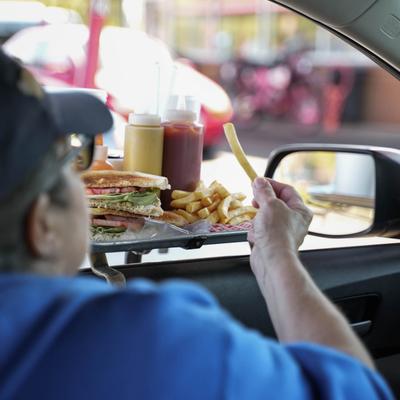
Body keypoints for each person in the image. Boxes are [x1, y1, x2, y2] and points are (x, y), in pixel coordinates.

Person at [0, 48, 393, 399]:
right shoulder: (143, 338)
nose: (86, 175)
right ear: (42, 226)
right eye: (71, 165)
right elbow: (355, 389)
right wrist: (277, 253)